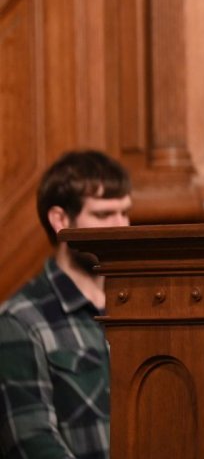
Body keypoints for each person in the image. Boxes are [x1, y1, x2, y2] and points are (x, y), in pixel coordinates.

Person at [0, 150, 133, 459]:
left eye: (125, 212)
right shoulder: (19, 321)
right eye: (103, 215)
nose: (122, 227)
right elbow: (30, 443)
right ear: (60, 220)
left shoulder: (140, 308)